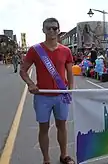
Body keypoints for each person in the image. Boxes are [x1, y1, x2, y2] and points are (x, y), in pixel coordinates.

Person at [19, 18, 75, 164]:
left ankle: (64, 156)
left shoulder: (66, 51)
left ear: (58, 30)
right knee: (43, 128)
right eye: (48, 28)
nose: (51, 31)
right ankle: (46, 160)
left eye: (54, 28)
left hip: (61, 96)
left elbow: (70, 72)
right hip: (42, 97)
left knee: (62, 126)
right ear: (43, 30)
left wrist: (71, 90)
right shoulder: (35, 50)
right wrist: (30, 84)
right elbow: (23, 70)